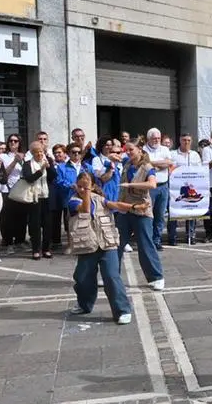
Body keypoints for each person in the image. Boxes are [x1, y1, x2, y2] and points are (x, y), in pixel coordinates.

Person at [68, 172, 147, 325]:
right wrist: (86, 192)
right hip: (87, 246)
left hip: (107, 243)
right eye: (80, 187)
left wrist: (134, 206)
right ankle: (84, 305)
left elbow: (116, 205)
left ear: (93, 186)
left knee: (111, 276)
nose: (83, 190)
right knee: (82, 278)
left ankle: (122, 310)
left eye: (86, 186)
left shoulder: (100, 199)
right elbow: (84, 210)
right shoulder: (72, 201)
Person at [118, 142, 166, 291]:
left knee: (145, 245)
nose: (129, 152)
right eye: (127, 150)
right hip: (125, 208)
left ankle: (156, 277)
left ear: (139, 150)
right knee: (116, 243)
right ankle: (110, 274)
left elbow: (152, 185)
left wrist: (131, 186)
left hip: (142, 210)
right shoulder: (126, 164)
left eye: (131, 150)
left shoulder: (147, 167)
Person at [17, 141, 58, 260]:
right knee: (35, 225)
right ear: (32, 153)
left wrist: (49, 168)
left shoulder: (48, 161)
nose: (39, 154)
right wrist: (41, 170)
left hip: (47, 196)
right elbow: (29, 178)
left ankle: (46, 249)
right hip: (34, 198)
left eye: (41, 151)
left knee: (48, 224)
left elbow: (53, 176)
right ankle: (36, 249)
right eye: (36, 152)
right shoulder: (28, 164)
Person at [168, 133, 201, 246]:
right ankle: (172, 237)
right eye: (184, 140)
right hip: (177, 187)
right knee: (174, 211)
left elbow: (199, 170)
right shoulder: (173, 154)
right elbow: (170, 169)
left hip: (192, 187)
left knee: (191, 210)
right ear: (180, 141)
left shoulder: (195, 155)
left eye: (188, 140)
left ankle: (191, 236)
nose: (186, 142)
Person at [144, 128, 173, 251]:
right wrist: (161, 164)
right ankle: (148, 240)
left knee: (160, 215)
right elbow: (145, 164)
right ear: (149, 139)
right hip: (150, 186)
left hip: (163, 185)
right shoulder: (144, 150)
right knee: (148, 215)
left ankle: (157, 240)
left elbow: (169, 163)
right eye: (154, 138)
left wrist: (153, 164)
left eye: (158, 138)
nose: (157, 140)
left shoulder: (165, 149)